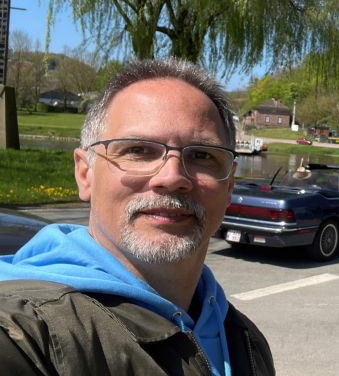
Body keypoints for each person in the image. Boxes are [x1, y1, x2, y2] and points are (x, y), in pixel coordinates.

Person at [0, 59, 275, 375]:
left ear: (229, 186)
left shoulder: (246, 342)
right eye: (138, 150)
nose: (172, 177)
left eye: (202, 155)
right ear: (84, 173)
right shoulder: (24, 336)